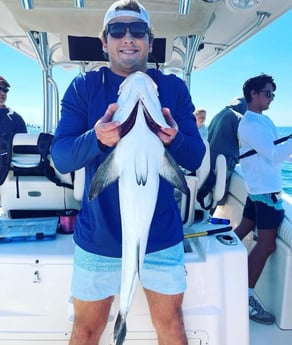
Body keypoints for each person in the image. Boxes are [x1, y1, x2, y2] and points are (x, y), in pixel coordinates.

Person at [51, 1, 205, 344]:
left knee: (172, 325)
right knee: (87, 329)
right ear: (104, 41)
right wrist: (98, 139)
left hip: (161, 238)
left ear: (150, 41)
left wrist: (175, 140)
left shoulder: (174, 88)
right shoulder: (83, 88)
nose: (128, 38)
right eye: (117, 31)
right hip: (98, 237)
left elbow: (195, 157)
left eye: (137, 31)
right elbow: (61, 157)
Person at [234, 73, 292, 325]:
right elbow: (273, 154)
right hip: (264, 192)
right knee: (266, 245)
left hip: (260, 188)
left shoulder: (264, 120)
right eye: (267, 93)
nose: (271, 98)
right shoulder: (249, 124)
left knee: (244, 229)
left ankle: (223, 269)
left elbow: (276, 152)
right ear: (253, 94)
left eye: (273, 94)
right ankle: (244, 297)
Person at [208, 96, 247, 204]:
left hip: (209, 162)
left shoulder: (218, 115)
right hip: (224, 164)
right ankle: (213, 214)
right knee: (219, 194)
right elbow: (245, 145)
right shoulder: (239, 118)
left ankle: (209, 213)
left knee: (209, 193)